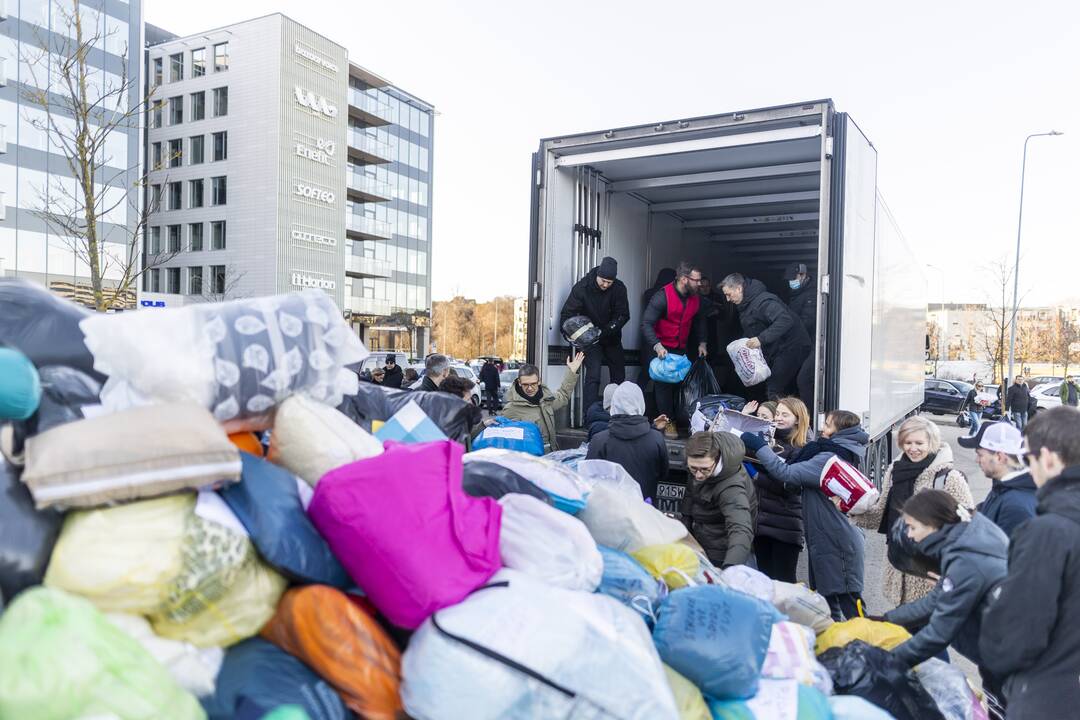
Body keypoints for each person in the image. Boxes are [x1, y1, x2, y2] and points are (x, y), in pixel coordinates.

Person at [980, 406, 1080, 720]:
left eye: (1030, 459)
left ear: (1048, 458)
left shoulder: (1047, 531)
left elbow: (1017, 634)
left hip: (1049, 697)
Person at [883, 490, 1009, 719]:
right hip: (1003, 651)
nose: (909, 535)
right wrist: (887, 619)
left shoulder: (965, 559)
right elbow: (938, 599)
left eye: (912, 527)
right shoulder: (970, 534)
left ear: (932, 525)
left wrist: (886, 662)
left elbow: (938, 633)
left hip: (1011, 657)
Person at [741, 410, 868, 620]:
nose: (822, 430)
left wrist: (760, 447)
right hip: (830, 538)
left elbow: (786, 474)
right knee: (829, 603)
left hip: (837, 541)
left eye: (827, 425)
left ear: (841, 431)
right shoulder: (841, 451)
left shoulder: (828, 458)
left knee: (848, 602)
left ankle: (865, 644)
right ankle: (837, 646)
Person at [854, 416, 974, 608]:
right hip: (900, 569)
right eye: (908, 443)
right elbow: (879, 515)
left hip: (931, 575)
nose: (913, 448)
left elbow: (968, 528)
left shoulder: (948, 478)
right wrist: (851, 508)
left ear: (932, 443)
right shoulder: (895, 471)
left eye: (919, 443)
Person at [641, 261, 708, 438]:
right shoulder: (662, 296)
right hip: (661, 348)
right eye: (696, 280)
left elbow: (700, 320)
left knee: (681, 385)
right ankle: (667, 422)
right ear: (685, 279)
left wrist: (702, 342)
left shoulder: (696, 298)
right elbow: (646, 323)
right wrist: (657, 345)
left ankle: (683, 420)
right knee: (663, 386)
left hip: (681, 348)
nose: (699, 283)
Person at [721, 273, 811, 401]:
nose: (728, 299)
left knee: (774, 387)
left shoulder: (763, 301)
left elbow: (785, 320)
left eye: (728, 294)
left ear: (739, 288)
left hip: (793, 346)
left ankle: (778, 419)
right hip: (778, 349)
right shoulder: (746, 306)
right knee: (763, 385)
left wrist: (760, 339)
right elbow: (753, 329)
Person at [751, 397, 811, 583]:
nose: (778, 418)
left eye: (785, 415)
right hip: (761, 525)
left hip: (785, 528)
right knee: (765, 582)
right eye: (777, 413)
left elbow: (789, 487)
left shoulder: (802, 449)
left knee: (785, 584)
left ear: (798, 419)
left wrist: (756, 476)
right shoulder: (769, 441)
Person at [559, 256, 630, 409]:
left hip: (611, 336)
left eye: (609, 282)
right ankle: (589, 415)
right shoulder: (582, 287)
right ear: (597, 274)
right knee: (593, 375)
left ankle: (619, 413)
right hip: (589, 341)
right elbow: (566, 315)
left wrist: (605, 331)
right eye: (602, 280)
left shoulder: (619, 288)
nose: (605, 284)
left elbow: (623, 315)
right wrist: (569, 335)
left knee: (619, 375)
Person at [681, 431, 757, 569]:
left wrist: (730, 568)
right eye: (693, 469)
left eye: (705, 469)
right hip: (701, 541)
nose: (698, 475)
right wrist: (685, 523)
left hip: (723, 551)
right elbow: (691, 494)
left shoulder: (731, 488)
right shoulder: (698, 463)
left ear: (717, 460)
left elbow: (741, 529)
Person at [586, 382, 669, 502]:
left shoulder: (599, 440)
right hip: (645, 511)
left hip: (610, 513)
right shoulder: (656, 439)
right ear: (641, 404)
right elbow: (663, 474)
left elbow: (589, 479)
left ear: (613, 405)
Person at [959, 421, 1037, 537]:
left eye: (980, 455)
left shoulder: (1015, 504)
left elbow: (1000, 551)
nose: (977, 460)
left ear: (1000, 457)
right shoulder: (1004, 488)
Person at [499, 354, 584, 453]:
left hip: (551, 455)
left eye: (533, 384)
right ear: (519, 382)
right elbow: (503, 440)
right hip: (529, 461)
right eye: (525, 385)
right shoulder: (511, 409)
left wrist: (572, 372)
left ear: (539, 381)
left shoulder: (547, 400)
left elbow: (563, 395)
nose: (530, 388)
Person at [636, 268, 677, 392]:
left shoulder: (649, 293)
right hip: (660, 338)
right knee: (661, 375)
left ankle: (637, 397)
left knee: (646, 371)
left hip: (648, 339)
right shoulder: (665, 296)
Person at [785, 262, 817, 410]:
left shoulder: (811, 294)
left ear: (803, 275)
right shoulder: (796, 293)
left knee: (803, 380)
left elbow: (807, 322)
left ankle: (809, 419)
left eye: (794, 278)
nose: (791, 282)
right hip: (802, 344)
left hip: (812, 343)